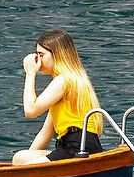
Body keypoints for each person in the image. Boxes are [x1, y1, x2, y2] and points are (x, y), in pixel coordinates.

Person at [13, 28, 102, 163]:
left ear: (56, 54)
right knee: (20, 158)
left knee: (21, 161)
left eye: (41, 54)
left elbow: (31, 111)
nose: (38, 60)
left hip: (76, 147)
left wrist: (30, 74)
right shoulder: (74, 79)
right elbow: (45, 133)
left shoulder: (63, 80)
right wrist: (25, 163)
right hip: (78, 146)